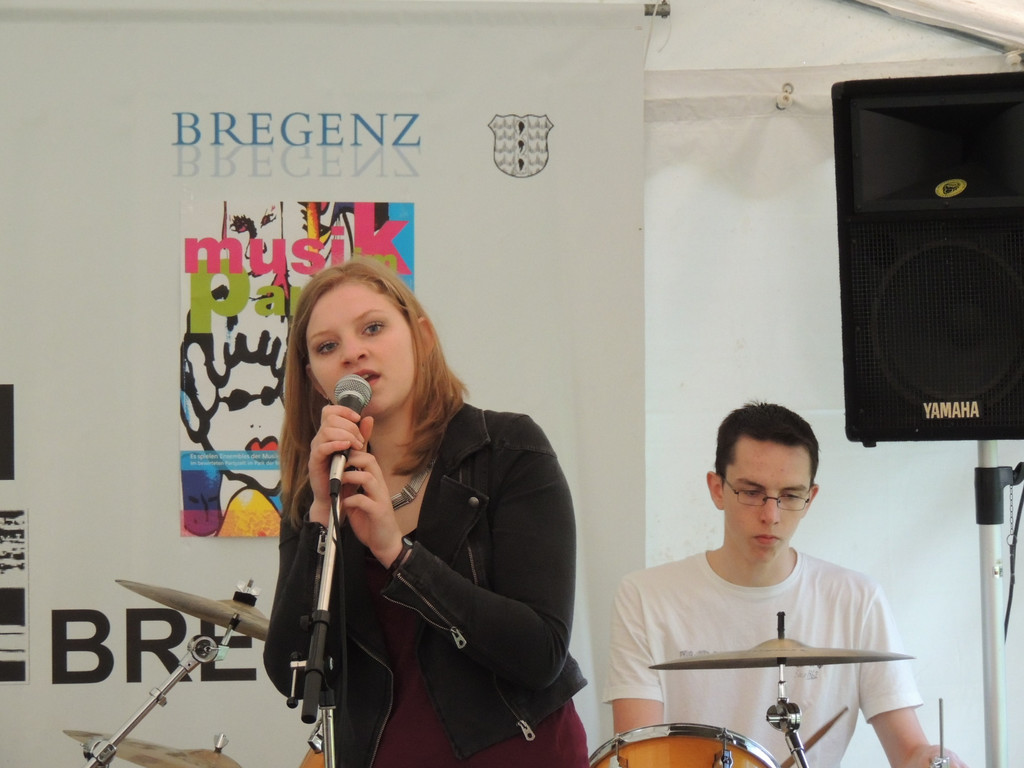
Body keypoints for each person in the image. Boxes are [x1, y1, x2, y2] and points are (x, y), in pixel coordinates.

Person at [263, 258, 589, 768]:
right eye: (327, 347)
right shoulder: (316, 492)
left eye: (373, 328)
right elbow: (293, 672)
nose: (353, 352)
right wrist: (322, 514)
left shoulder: (506, 449)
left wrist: (397, 555)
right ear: (316, 380)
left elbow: (540, 653)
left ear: (422, 336)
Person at [602, 402, 967, 768]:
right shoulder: (646, 596)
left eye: (790, 495)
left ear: (810, 499)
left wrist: (933, 758)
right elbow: (639, 758)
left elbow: (909, 752)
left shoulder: (857, 599)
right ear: (717, 489)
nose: (771, 515)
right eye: (751, 492)